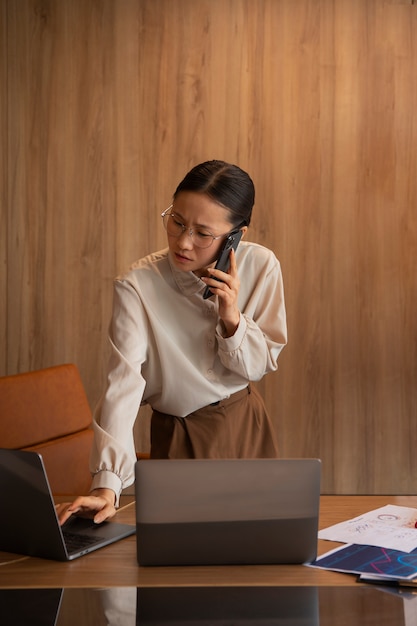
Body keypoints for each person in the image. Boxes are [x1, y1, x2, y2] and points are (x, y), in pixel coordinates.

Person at [57, 160, 287, 525]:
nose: (183, 242)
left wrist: (231, 317)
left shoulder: (262, 267)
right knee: (180, 566)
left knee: (260, 554)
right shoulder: (137, 286)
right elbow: (124, 384)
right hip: (177, 432)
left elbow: (259, 366)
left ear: (235, 236)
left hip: (246, 425)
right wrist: (107, 485)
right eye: (177, 221)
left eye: (202, 233)